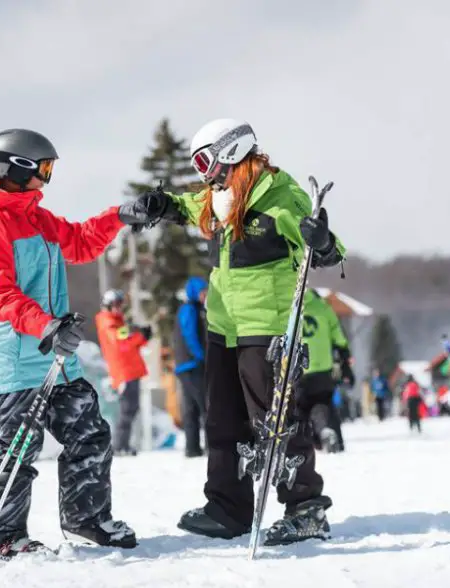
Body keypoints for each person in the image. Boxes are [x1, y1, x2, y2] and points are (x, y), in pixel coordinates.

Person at [118, 118, 345, 546]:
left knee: (274, 420)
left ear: (232, 152)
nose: (203, 175)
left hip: (267, 323)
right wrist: (160, 205)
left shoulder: (282, 196)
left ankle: (305, 507)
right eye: (197, 165)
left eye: (206, 162)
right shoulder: (218, 198)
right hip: (223, 323)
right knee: (222, 418)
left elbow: (328, 252)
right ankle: (227, 508)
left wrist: (324, 242)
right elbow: (187, 206)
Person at [0, 128, 138, 560]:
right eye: (42, 169)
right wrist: (45, 326)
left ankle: (87, 520)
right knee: (16, 448)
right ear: (14, 170)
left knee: (89, 431)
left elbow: (79, 243)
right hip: (14, 357)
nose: (47, 177)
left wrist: (121, 215)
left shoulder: (38, 219)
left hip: (54, 355)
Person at [95, 288, 152, 456]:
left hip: (130, 369)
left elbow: (127, 340)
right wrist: (138, 335)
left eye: (120, 305)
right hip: (124, 371)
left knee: (131, 408)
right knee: (127, 409)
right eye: (116, 305)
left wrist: (140, 335)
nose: (119, 308)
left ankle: (122, 444)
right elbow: (121, 343)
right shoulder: (108, 322)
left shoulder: (117, 322)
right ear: (108, 305)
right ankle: (120, 446)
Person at [296, 290, 352, 453]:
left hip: (299, 369)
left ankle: (307, 445)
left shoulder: (291, 306)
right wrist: (344, 357)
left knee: (300, 408)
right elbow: (339, 338)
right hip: (323, 368)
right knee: (326, 404)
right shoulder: (323, 307)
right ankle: (335, 440)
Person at [173, 276, 209, 458]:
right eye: (203, 292)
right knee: (206, 405)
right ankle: (212, 446)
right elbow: (190, 335)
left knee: (191, 409)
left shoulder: (188, 309)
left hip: (183, 365)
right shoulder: (190, 309)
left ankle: (192, 447)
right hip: (192, 364)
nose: (205, 296)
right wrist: (201, 356)